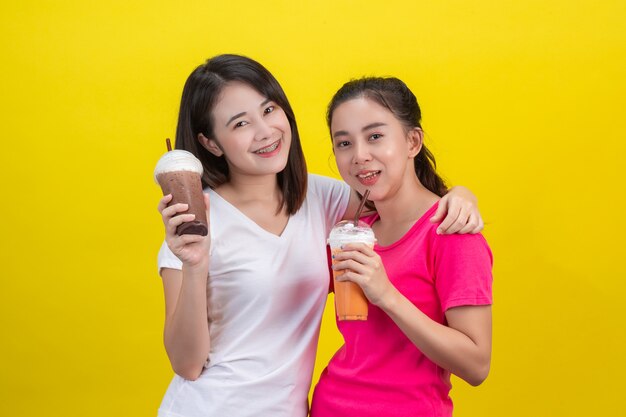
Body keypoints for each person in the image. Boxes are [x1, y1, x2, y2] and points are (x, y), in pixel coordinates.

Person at [155, 54, 484, 417]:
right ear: (212, 143)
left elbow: (395, 193)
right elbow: (187, 365)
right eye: (240, 124)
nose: (264, 132)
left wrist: (460, 196)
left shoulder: (324, 199)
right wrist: (195, 264)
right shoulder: (196, 225)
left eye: (268, 110)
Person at [310, 77, 493, 417]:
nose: (359, 156)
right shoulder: (350, 234)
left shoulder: (452, 233)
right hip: (329, 406)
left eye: (375, 136)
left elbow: (476, 364)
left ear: (413, 141)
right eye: (344, 143)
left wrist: (387, 295)